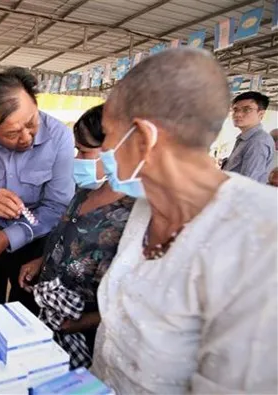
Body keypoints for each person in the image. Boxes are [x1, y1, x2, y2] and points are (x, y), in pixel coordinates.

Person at [88, 48, 277, 393]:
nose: (102, 152)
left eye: (106, 135)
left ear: (143, 139)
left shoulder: (262, 240)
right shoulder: (147, 204)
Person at [18, 104, 134, 368]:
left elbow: (131, 298)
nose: (77, 158)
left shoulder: (134, 212)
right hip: (52, 315)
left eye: (84, 151)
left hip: (87, 332)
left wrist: (82, 322)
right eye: (76, 149)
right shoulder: (84, 191)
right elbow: (66, 237)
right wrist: (41, 262)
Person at [0, 67, 74, 307]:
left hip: (35, 243)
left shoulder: (60, 137)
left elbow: (56, 206)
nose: (26, 138)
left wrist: (9, 237)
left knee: (27, 311)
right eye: (12, 134)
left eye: (31, 123)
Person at [221, 91, 274, 183]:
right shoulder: (244, 139)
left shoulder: (258, 142)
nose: (238, 114)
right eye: (235, 109)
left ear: (261, 114)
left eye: (247, 109)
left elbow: (248, 182)